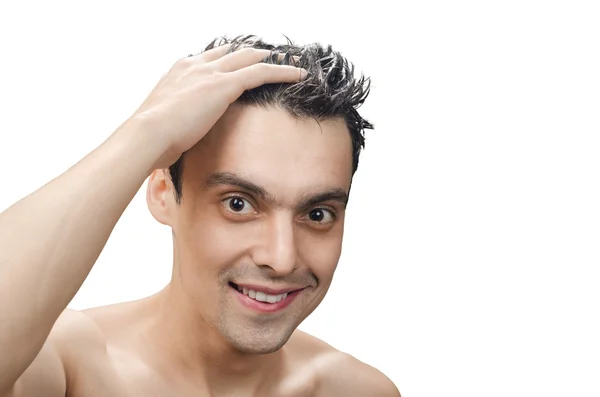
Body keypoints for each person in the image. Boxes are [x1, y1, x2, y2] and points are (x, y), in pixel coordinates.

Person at [0, 35, 400, 396]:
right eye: (238, 203)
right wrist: (147, 133)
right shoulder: (71, 366)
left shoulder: (357, 389)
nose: (282, 258)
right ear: (162, 193)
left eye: (316, 213)